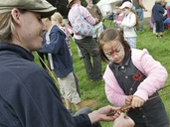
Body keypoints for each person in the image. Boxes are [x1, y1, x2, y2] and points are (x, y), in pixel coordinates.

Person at [0, 0, 136, 127]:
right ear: (17, 16)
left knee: (86, 112)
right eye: (38, 19)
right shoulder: (28, 77)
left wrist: (92, 117)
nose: (44, 27)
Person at [98, 28, 170, 127]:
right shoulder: (110, 72)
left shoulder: (139, 57)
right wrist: (124, 100)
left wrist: (143, 92)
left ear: (124, 44)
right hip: (134, 118)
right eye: (109, 53)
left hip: (156, 114)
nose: (115, 56)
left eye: (118, 50)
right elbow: (111, 94)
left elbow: (159, 73)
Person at [39, 15, 82, 114]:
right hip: (58, 67)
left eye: (40, 20)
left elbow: (53, 48)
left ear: (45, 18)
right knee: (64, 91)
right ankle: (68, 110)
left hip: (63, 67)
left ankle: (83, 113)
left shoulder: (55, 32)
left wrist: (39, 47)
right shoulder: (47, 33)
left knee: (71, 92)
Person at [67, 0, 103, 81]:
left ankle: (90, 76)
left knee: (85, 57)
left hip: (77, 37)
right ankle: (98, 77)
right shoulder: (81, 9)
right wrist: (96, 19)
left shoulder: (70, 12)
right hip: (86, 37)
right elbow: (92, 21)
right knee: (96, 54)